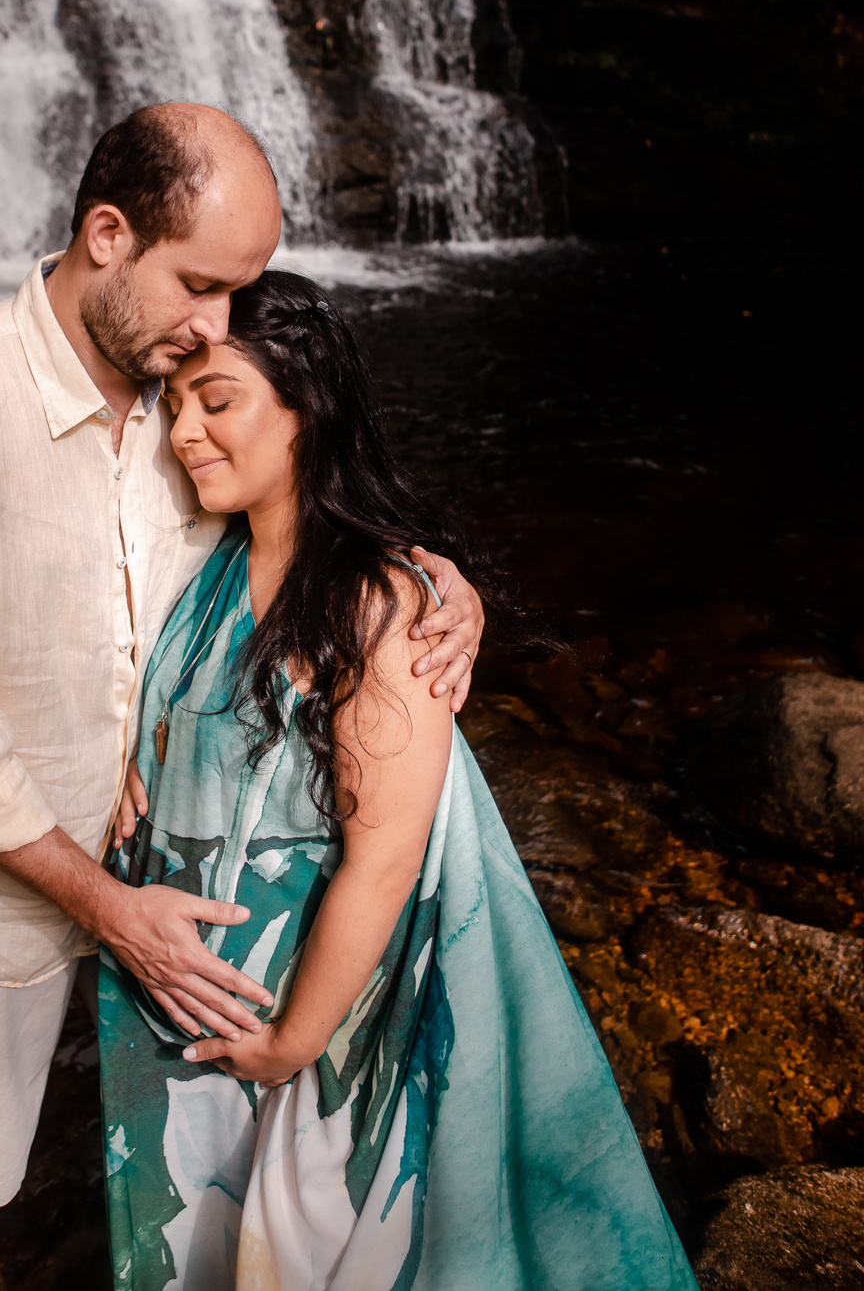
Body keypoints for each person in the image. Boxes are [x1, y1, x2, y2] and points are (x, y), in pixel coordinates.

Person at [0, 103, 483, 1291]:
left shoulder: (186, 389)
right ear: (107, 233)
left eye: (237, 295)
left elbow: (309, 510)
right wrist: (102, 904)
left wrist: (437, 583)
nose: (216, 326)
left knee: (193, 1170)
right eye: (198, 285)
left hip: (175, 881)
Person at [99, 270, 700, 1291]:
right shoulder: (202, 557)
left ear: (308, 410)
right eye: (179, 405)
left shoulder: (376, 605)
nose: (185, 434)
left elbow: (382, 863)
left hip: (326, 1039)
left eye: (220, 401)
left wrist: (295, 1042)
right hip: (188, 1012)